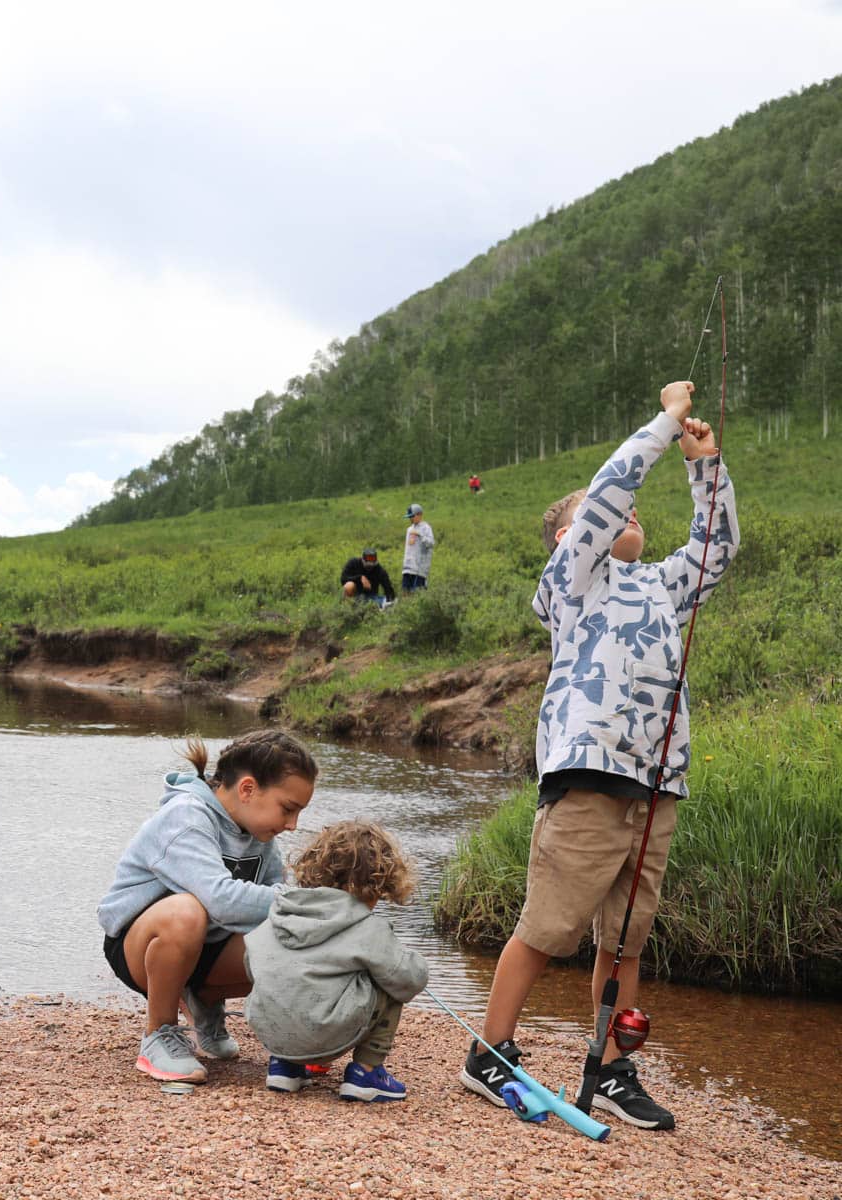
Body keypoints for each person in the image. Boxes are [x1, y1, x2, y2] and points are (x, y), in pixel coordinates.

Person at [461, 381, 737, 1131]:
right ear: (567, 538)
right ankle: (490, 1050)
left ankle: (612, 1068)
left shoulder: (661, 587)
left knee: (626, 940)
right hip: (587, 772)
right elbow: (615, 489)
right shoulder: (570, 584)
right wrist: (664, 423)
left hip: (656, 783)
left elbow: (716, 549)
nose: (628, 514)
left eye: (632, 513)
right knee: (547, 925)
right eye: (604, 512)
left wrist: (705, 467)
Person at [97, 730, 319, 1083]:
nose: (292, 825)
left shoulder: (259, 834)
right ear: (247, 789)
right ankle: (159, 1034)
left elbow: (278, 902)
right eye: (288, 809)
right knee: (188, 911)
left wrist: (324, 916)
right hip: (139, 947)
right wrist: (308, 904)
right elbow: (222, 900)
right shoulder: (186, 816)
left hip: (207, 948)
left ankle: (203, 1001)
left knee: (292, 935)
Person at [243, 821, 429, 1102]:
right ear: (377, 884)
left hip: (272, 1032)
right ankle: (366, 1072)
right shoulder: (368, 927)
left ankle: (285, 1066)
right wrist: (410, 960)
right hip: (330, 1033)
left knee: (283, 972)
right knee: (388, 979)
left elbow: (250, 961)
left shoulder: (283, 913)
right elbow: (409, 980)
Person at [401, 504, 435, 592]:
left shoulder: (426, 528)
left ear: (419, 515)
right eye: (409, 517)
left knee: (418, 593)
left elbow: (431, 543)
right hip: (408, 568)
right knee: (405, 592)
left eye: (412, 516)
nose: (410, 519)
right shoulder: (409, 529)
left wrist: (420, 535)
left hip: (419, 569)